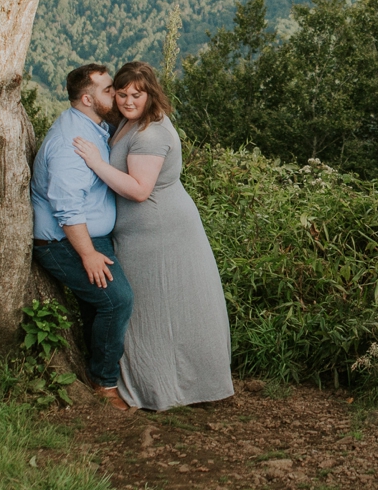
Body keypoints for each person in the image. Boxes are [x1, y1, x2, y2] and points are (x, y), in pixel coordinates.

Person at [72, 60, 234, 412]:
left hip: (164, 235)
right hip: (142, 237)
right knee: (153, 313)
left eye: (137, 94)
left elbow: (139, 190)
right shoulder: (132, 123)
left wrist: (96, 163)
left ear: (151, 94)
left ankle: (189, 386)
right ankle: (160, 385)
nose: (129, 101)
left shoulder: (151, 133)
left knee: (176, 310)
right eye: (122, 93)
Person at [32, 62, 134, 412]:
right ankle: (104, 383)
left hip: (87, 238)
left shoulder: (92, 126)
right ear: (88, 99)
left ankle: (97, 370)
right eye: (109, 90)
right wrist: (88, 253)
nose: (116, 94)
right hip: (65, 244)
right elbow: (66, 207)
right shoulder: (69, 144)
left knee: (99, 304)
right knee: (117, 300)